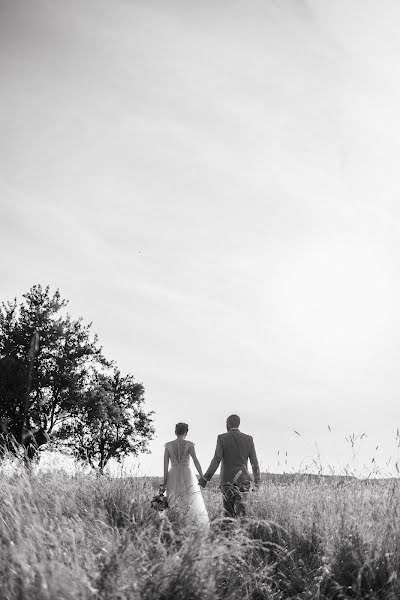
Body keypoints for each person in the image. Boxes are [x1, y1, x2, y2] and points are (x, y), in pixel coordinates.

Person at [199, 414, 260, 518]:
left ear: (228, 424)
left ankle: (230, 534)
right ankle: (242, 533)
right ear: (238, 424)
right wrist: (257, 481)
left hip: (227, 481)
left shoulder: (222, 438)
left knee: (228, 515)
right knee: (242, 513)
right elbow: (254, 462)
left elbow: (216, 459)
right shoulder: (248, 439)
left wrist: (206, 478)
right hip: (243, 481)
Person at [162, 422, 209, 527]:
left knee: (173, 500)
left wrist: (164, 483)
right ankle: (188, 525)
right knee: (188, 500)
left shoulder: (168, 445)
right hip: (187, 474)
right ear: (186, 432)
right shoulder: (189, 444)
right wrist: (202, 476)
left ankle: (174, 525)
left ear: (175, 432)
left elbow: (165, 466)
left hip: (172, 475)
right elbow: (196, 461)